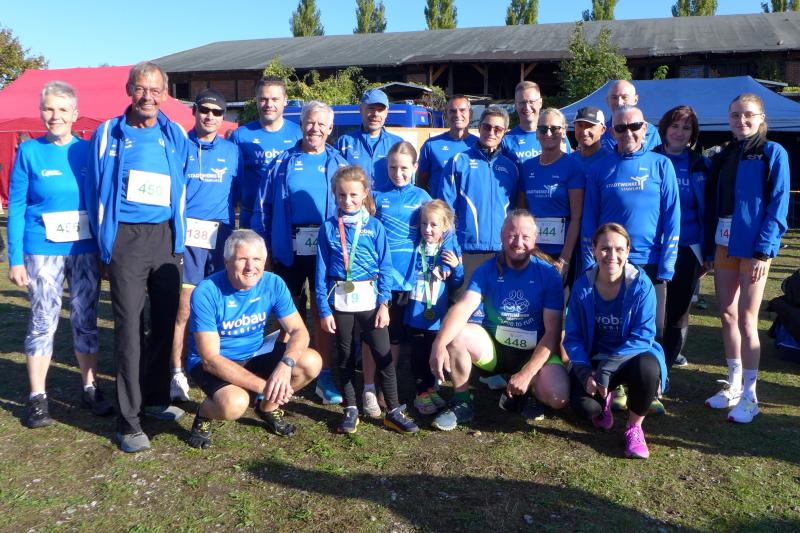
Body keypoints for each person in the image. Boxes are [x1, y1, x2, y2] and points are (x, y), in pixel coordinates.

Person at [85, 61, 189, 453]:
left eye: (155, 90)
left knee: (163, 322)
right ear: (129, 90)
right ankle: (128, 421)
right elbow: (95, 190)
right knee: (129, 328)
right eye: (141, 89)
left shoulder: (173, 133)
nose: (148, 97)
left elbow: (181, 183)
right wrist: (103, 245)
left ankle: (156, 398)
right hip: (125, 239)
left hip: (165, 237)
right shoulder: (108, 133)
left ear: (165, 95)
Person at [7, 81, 111, 428]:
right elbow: (16, 206)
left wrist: (105, 249)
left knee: (85, 319)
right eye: (49, 109)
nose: (55, 116)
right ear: (41, 112)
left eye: (62, 110)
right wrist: (16, 259)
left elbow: (102, 201)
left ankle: (90, 387)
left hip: (84, 250)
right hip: (42, 250)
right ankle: (38, 397)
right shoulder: (29, 151)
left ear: (75, 114)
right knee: (43, 319)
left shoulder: (88, 151)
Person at [429, 210, 569, 431]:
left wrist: (527, 373)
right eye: (512, 235)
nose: (518, 242)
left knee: (558, 397)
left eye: (525, 237)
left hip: (533, 352)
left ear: (535, 239)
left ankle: (529, 391)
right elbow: (464, 307)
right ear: (502, 236)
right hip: (496, 350)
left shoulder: (548, 275)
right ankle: (462, 402)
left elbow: (552, 332)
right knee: (457, 334)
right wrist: (439, 343)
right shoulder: (486, 270)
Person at [581, 105, 680, 414]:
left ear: (645, 127)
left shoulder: (661, 165)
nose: (628, 133)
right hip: (610, 263)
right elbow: (589, 220)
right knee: (612, 327)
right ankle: (618, 384)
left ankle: (651, 387)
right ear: (612, 132)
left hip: (649, 262)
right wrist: (589, 264)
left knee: (654, 330)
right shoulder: (600, 168)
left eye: (634, 126)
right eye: (621, 128)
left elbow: (672, 219)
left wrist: (666, 265)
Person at [185, 230, 322, 449]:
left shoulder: (273, 283)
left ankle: (267, 408)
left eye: (257, 259)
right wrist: (264, 386)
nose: (251, 267)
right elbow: (210, 359)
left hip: (255, 352)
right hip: (214, 361)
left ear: (264, 261)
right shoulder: (207, 291)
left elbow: (299, 331)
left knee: (311, 362)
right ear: (227, 261)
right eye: (242, 259)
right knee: (235, 404)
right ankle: (204, 414)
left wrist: (286, 365)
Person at [702, 93, 790, 423]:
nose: (742, 120)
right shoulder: (724, 154)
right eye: (736, 115)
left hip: (753, 248)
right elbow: (713, 202)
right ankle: (734, 385)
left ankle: (751, 396)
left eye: (748, 114)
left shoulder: (772, 152)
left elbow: (778, 205)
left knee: (747, 319)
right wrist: (709, 250)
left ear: (761, 117)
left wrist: (763, 251)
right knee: (726, 314)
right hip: (723, 243)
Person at [254, 100, 348, 406]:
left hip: (327, 251)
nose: (315, 129)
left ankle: (325, 375)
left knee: (323, 311)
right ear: (302, 124)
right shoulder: (282, 163)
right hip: (288, 247)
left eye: (322, 124)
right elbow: (263, 208)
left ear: (330, 128)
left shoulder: (339, 163)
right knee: (286, 311)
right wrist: (264, 249)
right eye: (310, 122)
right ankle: (275, 371)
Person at [316, 165, 419, 435]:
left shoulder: (374, 226)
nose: (347, 201)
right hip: (341, 300)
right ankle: (350, 408)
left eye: (353, 195)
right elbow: (320, 272)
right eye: (341, 195)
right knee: (345, 355)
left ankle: (393, 411)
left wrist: (384, 304)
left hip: (371, 301)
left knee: (383, 355)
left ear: (365, 194)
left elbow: (385, 267)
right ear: (334, 194)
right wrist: (324, 309)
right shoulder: (328, 228)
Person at [565, 223, 668, 459]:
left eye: (619, 249)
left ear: (628, 251)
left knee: (648, 368)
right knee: (585, 409)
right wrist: (584, 371)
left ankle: (634, 428)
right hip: (595, 359)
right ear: (593, 249)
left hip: (632, 358)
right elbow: (573, 336)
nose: (612, 255)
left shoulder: (641, 285)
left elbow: (643, 336)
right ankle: (605, 400)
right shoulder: (582, 286)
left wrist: (608, 368)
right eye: (605, 248)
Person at [169, 89, 239, 403]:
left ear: (223, 117)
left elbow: (239, 193)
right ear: (195, 111)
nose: (210, 116)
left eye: (217, 112)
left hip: (221, 239)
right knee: (184, 308)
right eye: (204, 110)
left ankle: (215, 365)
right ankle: (177, 371)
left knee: (219, 306)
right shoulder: (179, 145)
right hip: (187, 240)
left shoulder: (232, 151)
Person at [368, 142, 432, 417]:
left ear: (415, 167)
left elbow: (437, 232)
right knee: (388, 337)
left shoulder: (423, 197)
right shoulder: (377, 196)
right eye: (393, 167)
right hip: (385, 281)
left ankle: (418, 387)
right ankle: (382, 387)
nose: (398, 173)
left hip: (414, 279)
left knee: (414, 336)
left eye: (404, 168)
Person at [436, 105, 520, 292]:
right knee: (462, 308)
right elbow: (445, 213)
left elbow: (514, 212)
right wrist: (450, 249)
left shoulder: (511, 168)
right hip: (466, 251)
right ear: (479, 127)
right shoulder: (458, 161)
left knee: (496, 309)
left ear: (504, 132)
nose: (491, 132)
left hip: (501, 252)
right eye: (487, 127)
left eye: (497, 129)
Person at [653, 106, 709, 370]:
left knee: (678, 309)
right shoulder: (649, 159)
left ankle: (667, 362)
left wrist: (708, 253)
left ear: (693, 134)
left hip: (688, 247)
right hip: (653, 248)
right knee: (651, 308)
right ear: (664, 128)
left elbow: (709, 211)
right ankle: (646, 360)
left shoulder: (701, 164)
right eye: (675, 126)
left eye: (686, 128)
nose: (679, 132)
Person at [404, 200, 463, 415]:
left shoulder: (449, 251)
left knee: (432, 352)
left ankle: (430, 388)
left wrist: (456, 267)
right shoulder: (415, 245)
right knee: (418, 354)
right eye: (424, 224)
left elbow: (457, 283)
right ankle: (420, 393)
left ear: (445, 226)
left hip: (437, 316)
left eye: (433, 225)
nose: (427, 229)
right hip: (416, 313)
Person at [518, 108, 585, 287]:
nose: (548, 133)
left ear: (563, 131)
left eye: (554, 129)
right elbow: (522, 213)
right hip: (532, 251)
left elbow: (577, 217)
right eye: (542, 129)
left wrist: (565, 258)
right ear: (536, 133)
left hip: (561, 253)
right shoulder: (527, 167)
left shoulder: (573, 167)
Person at [230, 76, 302, 229]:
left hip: (288, 216)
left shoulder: (299, 134)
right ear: (256, 100)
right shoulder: (240, 136)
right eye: (263, 99)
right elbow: (230, 179)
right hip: (251, 217)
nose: (269, 104)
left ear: (285, 100)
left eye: (275, 99)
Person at [335, 88, 403, 191]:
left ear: (386, 113)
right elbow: (335, 181)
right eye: (371, 108)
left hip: (388, 201)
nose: (376, 114)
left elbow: (407, 183)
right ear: (361, 109)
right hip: (356, 201)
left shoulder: (397, 144)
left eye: (380, 110)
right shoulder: (344, 142)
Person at [416, 95, 478, 194]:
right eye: (452, 111)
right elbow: (420, 185)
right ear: (446, 115)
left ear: (470, 113)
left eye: (462, 110)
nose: (457, 115)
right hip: (440, 204)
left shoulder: (480, 146)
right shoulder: (431, 145)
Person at [502, 81, 571, 169]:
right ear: (516, 105)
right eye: (522, 102)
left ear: (540, 103)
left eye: (531, 102)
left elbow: (568, 167)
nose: (527, 107)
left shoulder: (556, 135)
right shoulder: (507, 140)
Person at [600, 80, 661, 153]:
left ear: (635, 99)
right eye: (614, 97)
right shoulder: (600, 133)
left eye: (624, 97)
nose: (619, 102)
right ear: (607, 101)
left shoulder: (651, 132)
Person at [570, 106, 611, 174]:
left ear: (603, 130)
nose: (584, 132)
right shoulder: (569, 160)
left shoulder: (611, 162)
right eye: (580, 126)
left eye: (590, 126)